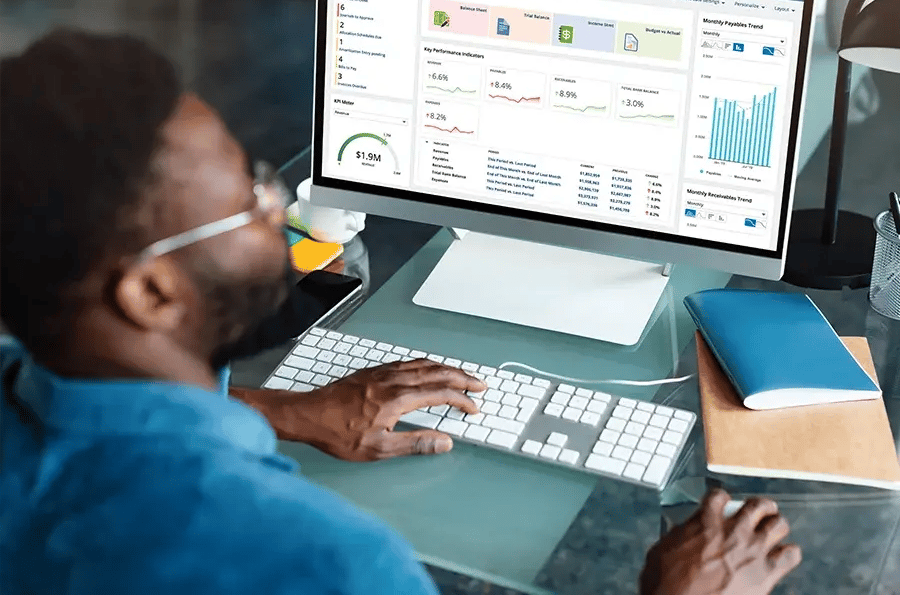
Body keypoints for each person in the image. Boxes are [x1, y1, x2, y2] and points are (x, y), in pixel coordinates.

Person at [0, 29, 802, 594]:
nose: (275, 202)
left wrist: (281, 409)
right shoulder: (328, 562)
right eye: (247, 195)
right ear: (150, 294)